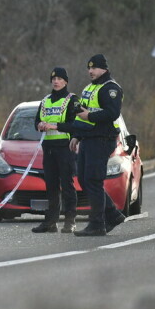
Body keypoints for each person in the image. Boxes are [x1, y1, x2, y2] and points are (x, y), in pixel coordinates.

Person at [70, 54, 127, 236]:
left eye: (94, 68)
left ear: (104, 69)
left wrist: (90, 116)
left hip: (102, 139)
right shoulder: (89, 88)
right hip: (88, 138)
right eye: (89, 68)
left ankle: (97, 224)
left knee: (93, 180)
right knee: (86, 180)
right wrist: (77, 135)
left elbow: (112, 113)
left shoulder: (111, 88)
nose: (90, 71)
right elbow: (82, 113)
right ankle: (112, 215)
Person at [32, 67, 82, 233]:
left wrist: (54, 125)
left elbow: (74, 124)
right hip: (49, 148)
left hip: (65, 148)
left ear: (65, 81)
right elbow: (37, 121)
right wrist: (40, 125)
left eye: (60, 78)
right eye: (54, 79)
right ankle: (51, 222)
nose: (56, 81)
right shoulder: (45, 100)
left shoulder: (72, 99)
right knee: (51, 186)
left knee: (67, 185)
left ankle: (70, 221)